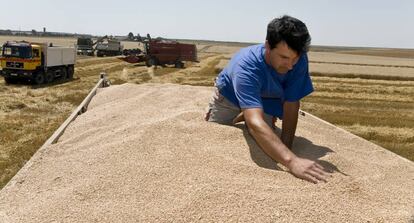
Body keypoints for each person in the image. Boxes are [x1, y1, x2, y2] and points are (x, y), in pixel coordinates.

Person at [205, 15, 329, 183]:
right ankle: (242, 112)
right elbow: (256, 124)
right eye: (284, 57)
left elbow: (291, 104)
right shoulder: (246, 66)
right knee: (212, 137)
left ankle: (248, 112)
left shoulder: (297, 58)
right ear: (268, 46)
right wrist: (292, 162)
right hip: (229, 96)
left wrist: (287, 149)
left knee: (270, 138)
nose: (291, 65)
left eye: (295, 58)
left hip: (268, 98)